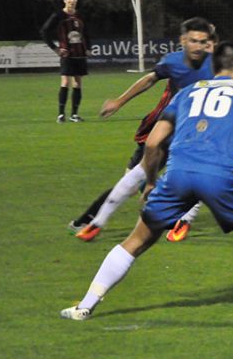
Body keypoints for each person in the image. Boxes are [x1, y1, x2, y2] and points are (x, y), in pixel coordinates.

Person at [60, 42, 233, 320]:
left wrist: (151, 182)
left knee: (137, 240)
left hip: (176, 175)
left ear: (213, 68)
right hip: (219, 175)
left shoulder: (187, 92)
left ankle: (84, 306)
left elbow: (153, 143)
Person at [69, 17, 216, 242]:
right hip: (167, 127)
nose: (200, 46)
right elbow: (150, 79)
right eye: (195, 40)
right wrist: (119, 101)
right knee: (139, 176)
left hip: (197, 131)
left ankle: (179, 220)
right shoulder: (175, 62)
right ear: (183, 41)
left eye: (205, 41)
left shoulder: (218, 65)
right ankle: (94, 221)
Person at [41, 0, 91, 123]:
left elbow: (86, 32)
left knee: (78, 83)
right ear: (64, 0)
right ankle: (61, 114)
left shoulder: (80, 15)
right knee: (65, 82)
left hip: (80, 54)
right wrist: (55, 48)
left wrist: (89, 48)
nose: (72, 1)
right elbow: (44, 31)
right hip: (67, 53)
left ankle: (74, 115)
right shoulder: (58, 15)